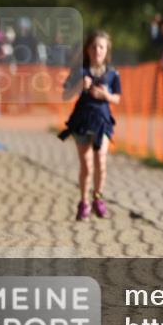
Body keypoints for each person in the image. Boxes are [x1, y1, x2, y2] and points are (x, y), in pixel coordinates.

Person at [57, 31, 121, 220]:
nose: (97, 51)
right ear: (87, 49)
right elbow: (65, 96)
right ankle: (84, 201)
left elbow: (117, 98)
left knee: (101, 161)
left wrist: (106, 96)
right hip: (82, 122)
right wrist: (79, 87)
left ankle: (98, 199)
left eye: (101, 47)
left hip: (103, 122)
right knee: (86, 165)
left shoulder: (112, 73)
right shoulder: (80, 71)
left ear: (107, 49)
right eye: (94, 47)